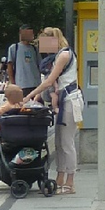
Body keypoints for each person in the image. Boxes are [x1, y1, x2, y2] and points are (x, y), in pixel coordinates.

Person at [22, 27, 82, 195]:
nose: (43, 47)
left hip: (70, 101)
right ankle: (60, 178)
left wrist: (29, 97)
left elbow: (49, 81)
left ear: (53, 40)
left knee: (66, 143)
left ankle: (70, 182)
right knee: (59, 142)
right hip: (65, 101)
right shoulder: (59, 55)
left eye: (44, 42)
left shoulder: (64, 55)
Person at [6, 25, 41, 97]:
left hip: (36, 84)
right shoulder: (14, 48)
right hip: (21, 85)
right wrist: (13, 83)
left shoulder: (34, 48)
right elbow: (10, 66)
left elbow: (39, 64)